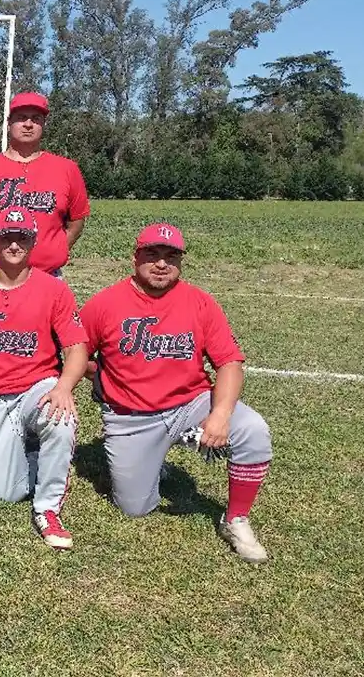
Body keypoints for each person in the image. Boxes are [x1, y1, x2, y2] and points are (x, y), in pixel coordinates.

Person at [79, 224, 273, 563]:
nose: (161, 264)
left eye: (171, 256)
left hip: (189, 405)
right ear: (134, 257)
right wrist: (100, 375)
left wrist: (220, 415)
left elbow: (229, 362)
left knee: (253, 430)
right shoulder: (104, 304)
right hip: (131, 418)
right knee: (134, 508)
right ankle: (152, 462)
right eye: (152, 254)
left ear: (181, 262)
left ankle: (236, 519)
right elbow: (73, 352)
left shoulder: (199, 302)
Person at [0, 207, 87, 550]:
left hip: (34, 387)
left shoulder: (53, 288)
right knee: (4, 493)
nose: (13, 243)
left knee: (60, 416)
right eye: (6, 235)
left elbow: (77, 347)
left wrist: (64, 387)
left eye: (21, 236)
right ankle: (30, 450)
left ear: (33, 241)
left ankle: (48, 509)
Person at [0, 92, 90, 278]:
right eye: (21, 118)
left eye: (36, 118)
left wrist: (56, 249)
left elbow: (77, 221)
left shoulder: (67, 169)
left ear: (44, 124)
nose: (28, 124)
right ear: (9, 123)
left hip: (46, 276)